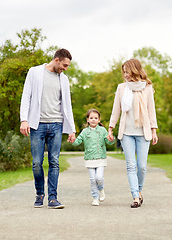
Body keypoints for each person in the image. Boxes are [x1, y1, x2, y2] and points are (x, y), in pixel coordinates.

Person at [20, 49, 76, 209]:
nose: (65, 68)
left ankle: (53, 198)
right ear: (56, 59)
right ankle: (39, 193)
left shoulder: (63, 79)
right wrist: (24, 120)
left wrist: (71, 128)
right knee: (37, 163)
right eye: (64, 65)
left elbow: (67, 105)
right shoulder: (35, 72)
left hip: (57, 124)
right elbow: (26, 96)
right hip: (38, 124)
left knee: (55, 162)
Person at [107, 59, 158, 208]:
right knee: (131, 165)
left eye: (127, 71)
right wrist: (111, 127)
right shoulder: (122, 88)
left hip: (143, 132)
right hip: (127, 133)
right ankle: (135, 196)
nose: (125, 75)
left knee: (141, 166)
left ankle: (139, 191)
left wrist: (154, 131)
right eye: (123, 72)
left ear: (134, 70)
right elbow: (116, 109)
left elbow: (151, 111)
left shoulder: (147, 88)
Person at [72, 109, 114, 206]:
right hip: (89, 158)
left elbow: (108, 142)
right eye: (91, 118)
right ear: (87, 120)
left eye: (95, 118)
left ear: (99, 120)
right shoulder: (85, 132)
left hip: (100, 158)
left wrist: (111, 140)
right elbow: (77, 142)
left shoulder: (103, 130)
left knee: (99, 177)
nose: (93, 120)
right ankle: (95, 198)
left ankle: (101, 189)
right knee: (92, 179)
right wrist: (72, 140)